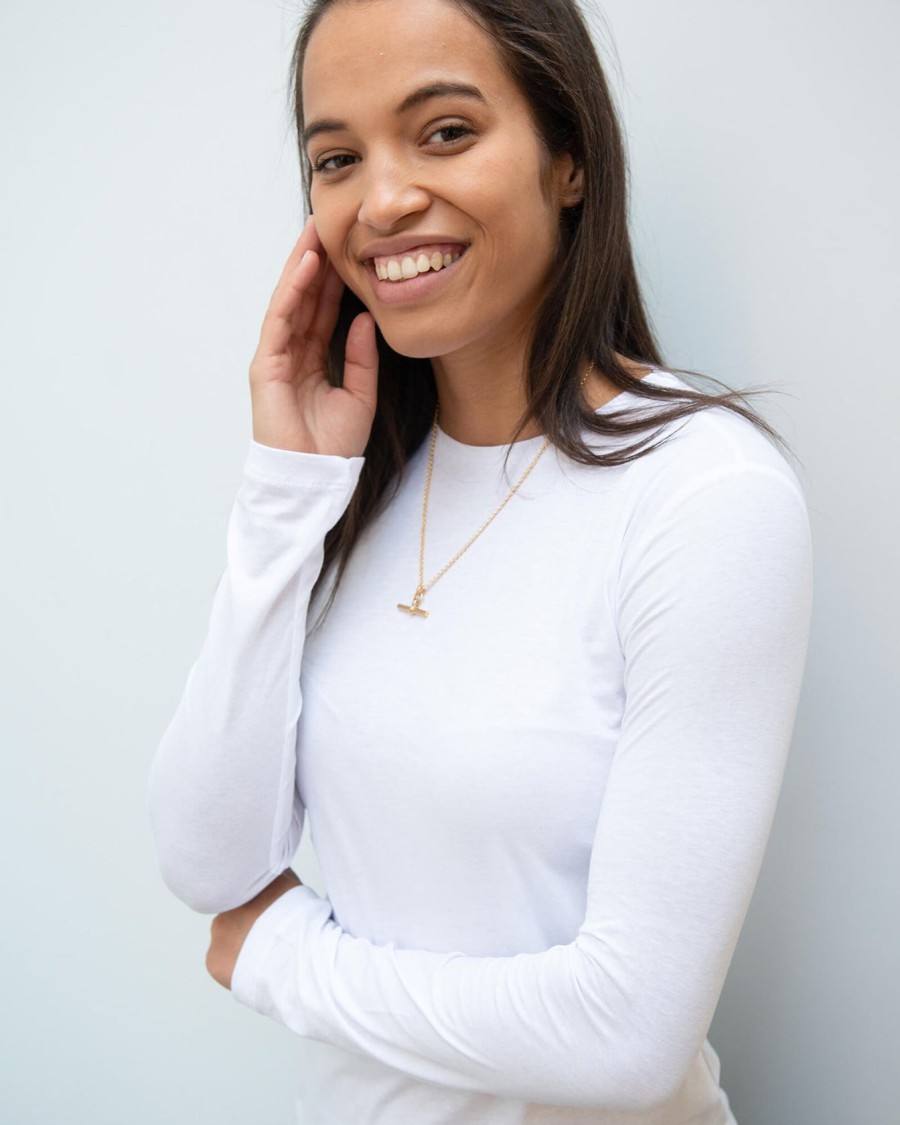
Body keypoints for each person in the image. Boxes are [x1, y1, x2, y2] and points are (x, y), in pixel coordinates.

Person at [147, 0, 813, 1121]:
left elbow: (628, 1036)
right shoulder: (355, 483)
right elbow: (208, 862)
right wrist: (283, 493)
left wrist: (283, 960)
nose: (385, 197)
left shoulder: (703, 492)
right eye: (337, 158)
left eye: (445, 131)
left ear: (571, 159)